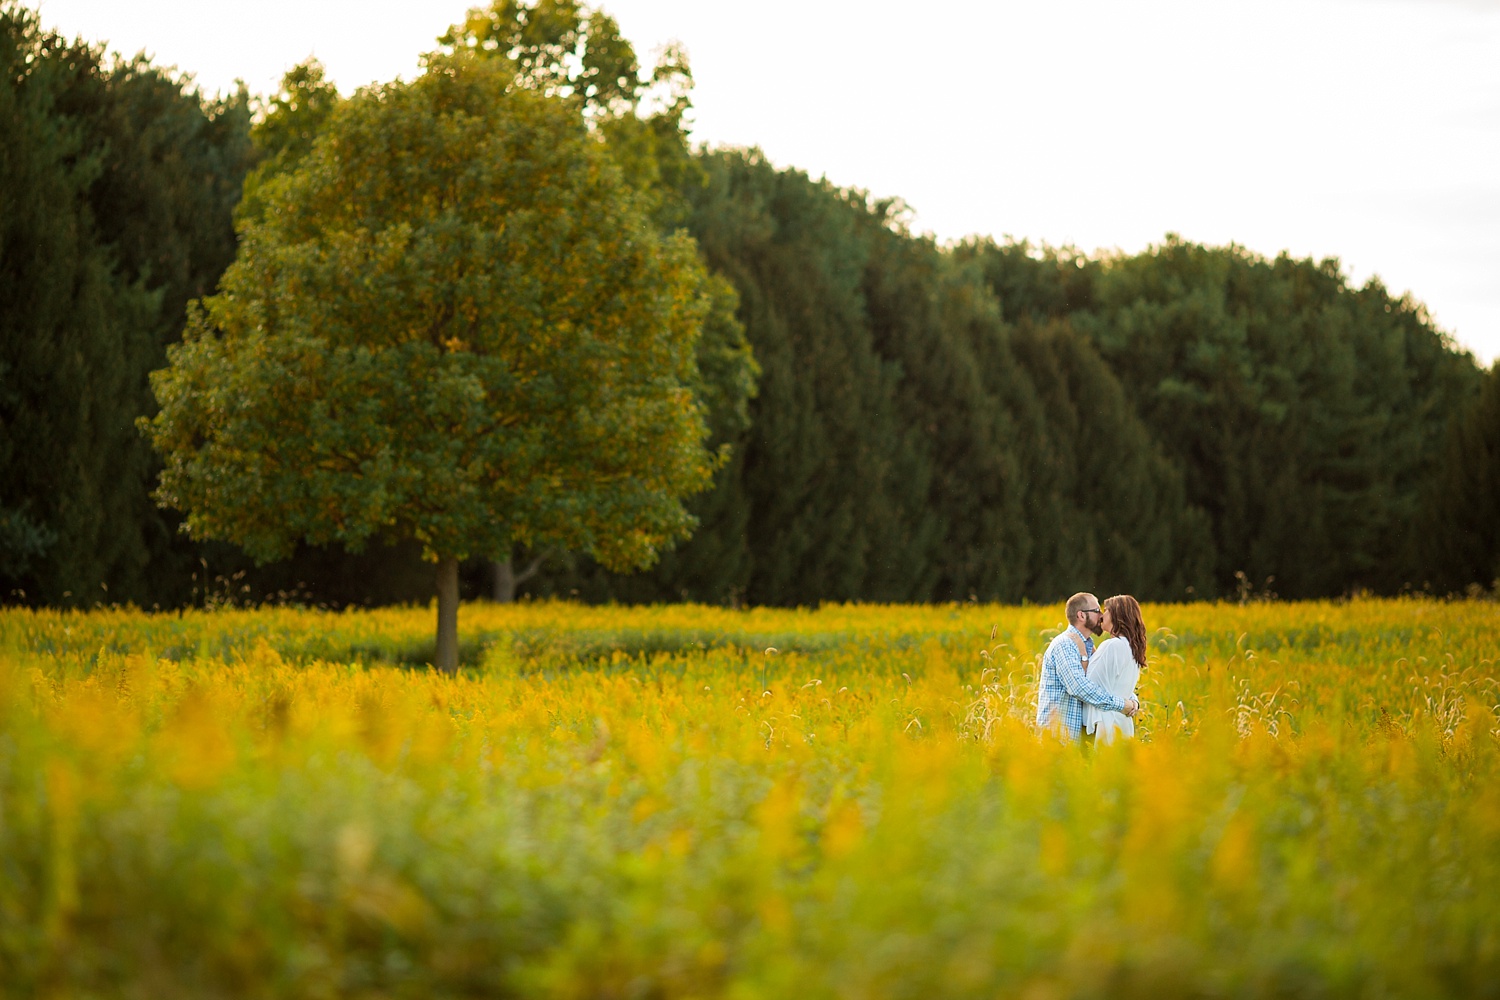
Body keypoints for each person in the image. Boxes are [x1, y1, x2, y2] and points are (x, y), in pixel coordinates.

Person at [1036, 592, 1138, 741]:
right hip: (1057, 740)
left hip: (1077, 742)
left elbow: (1107, 683)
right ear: (1081, 616)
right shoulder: (1065, 644)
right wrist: (1122, 704)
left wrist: (1133, 700)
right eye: (1097, 611)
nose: (1102, 615)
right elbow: (1078, 687)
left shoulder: (1089, 647)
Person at [1077, 594, 1147, 744]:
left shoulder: (1112, 646)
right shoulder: (1132, 647)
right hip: (1121, 723)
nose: (1102, 615)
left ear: (1117, 615)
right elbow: (1118, 687)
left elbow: (1089, 686)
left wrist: (1082, 655)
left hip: (1103, 724)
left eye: (1107, 610)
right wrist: (1133, 702)